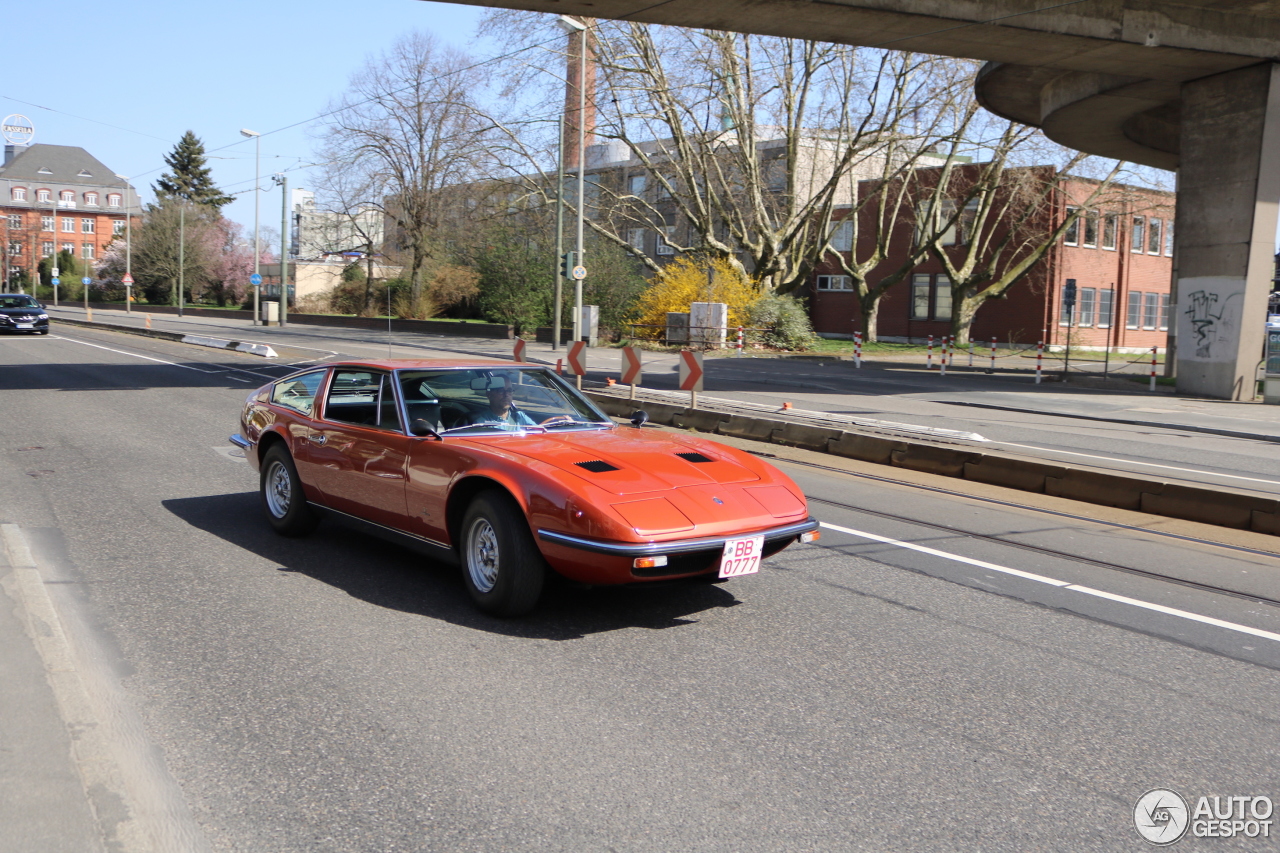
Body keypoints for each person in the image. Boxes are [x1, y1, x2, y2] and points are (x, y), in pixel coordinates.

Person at [471, 376, 537, 428]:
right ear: (489, 394)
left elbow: (540, 432)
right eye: (501, 391)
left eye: (509, 390)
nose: (506, 395)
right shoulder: (482, 423)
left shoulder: (519, 416)